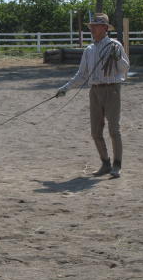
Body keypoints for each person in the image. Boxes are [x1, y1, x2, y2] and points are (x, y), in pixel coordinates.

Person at [56, 13, 130, 178]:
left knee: (113, 129)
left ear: (104, 28)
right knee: (95, 131)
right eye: (92, 26)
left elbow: (125, 68)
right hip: (95, 91)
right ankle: (105, 163)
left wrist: (118, 58)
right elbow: (81, 75)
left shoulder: (115, 46)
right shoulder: (89, 50)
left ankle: (117, 165)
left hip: (112, 89)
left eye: (96, 26)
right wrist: (66, 88)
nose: (92, 29)